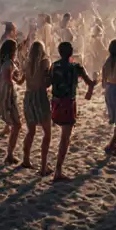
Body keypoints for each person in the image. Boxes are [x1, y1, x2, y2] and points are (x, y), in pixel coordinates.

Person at [48, 41, 97, 181]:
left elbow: (49, 82)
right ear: (71, 52)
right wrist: (94, 83)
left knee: (59, 135)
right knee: (65, 138)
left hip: (55, 102)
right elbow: (90, 83)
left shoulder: (54, 66)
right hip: (68, 103)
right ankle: (58, 170)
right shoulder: (76, 67)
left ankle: (49, 166)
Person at [19, 40, 53, 174]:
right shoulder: (45, 62)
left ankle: (26, 159)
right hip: (40, 97)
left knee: (31, 131)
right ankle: (43, 167)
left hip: (28, 97)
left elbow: (21, 81)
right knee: (47, 133)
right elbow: (46, 83)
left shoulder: (27, 63)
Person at [0, 38, 23, 164]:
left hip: (2, 94)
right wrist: (11, 83)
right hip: (7, 95)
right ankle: (9, 155)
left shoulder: (2, 61)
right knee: (17, 125)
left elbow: (15, 79)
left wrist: (21, 78)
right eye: (15, 48)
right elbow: (7, 78)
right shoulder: (8, 63)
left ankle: (9, 153)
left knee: (15, 123)